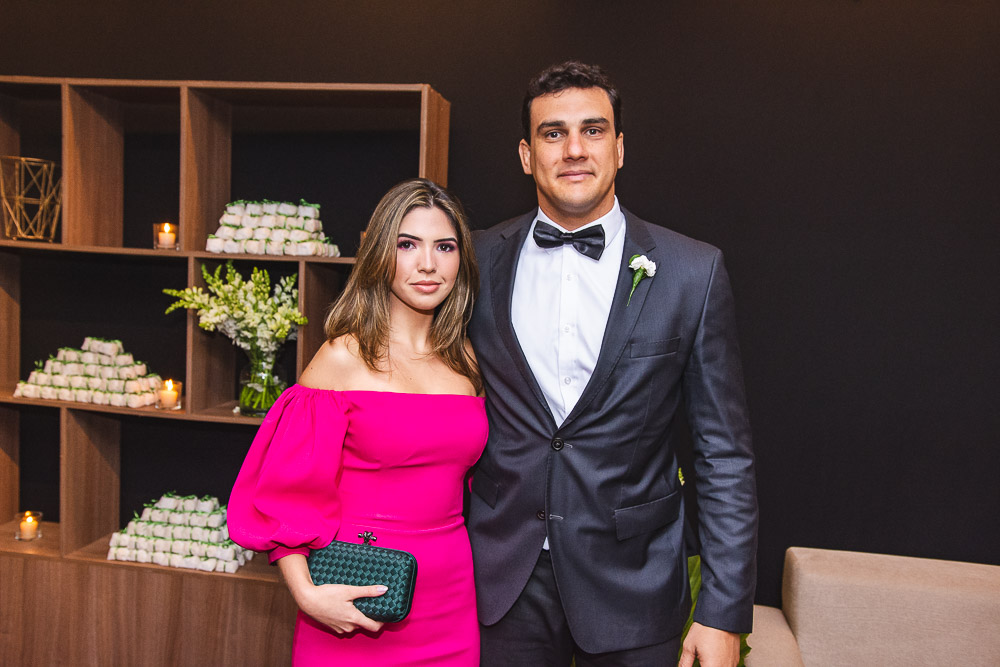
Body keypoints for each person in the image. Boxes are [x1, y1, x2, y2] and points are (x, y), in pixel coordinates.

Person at [467, 61, 758, 667]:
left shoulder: (692, 272)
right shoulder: (473, 260)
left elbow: (724, 453)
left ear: (619, 148)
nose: (574, 149)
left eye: (593, 130)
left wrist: (722, 611)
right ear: (526, 155)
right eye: (553, 133)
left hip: (635, 585)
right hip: (500, 579)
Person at [228, 178, 487, 666]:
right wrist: (307, 594)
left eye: (444, 247)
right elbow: (286, 492)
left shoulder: (466, 360)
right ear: (379, 254)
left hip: (451, 600)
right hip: (355, 596)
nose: (427, 264)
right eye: (407, 245)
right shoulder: (341, 359)